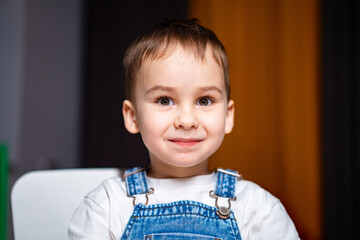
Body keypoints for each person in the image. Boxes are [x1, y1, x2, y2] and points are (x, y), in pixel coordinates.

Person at [68, 18, 299, 239]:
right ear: (133, 117)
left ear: (228, 116)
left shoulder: (259, 209)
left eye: (204, 100)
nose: (187, 120)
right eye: (165, 100)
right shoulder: (106, 206)